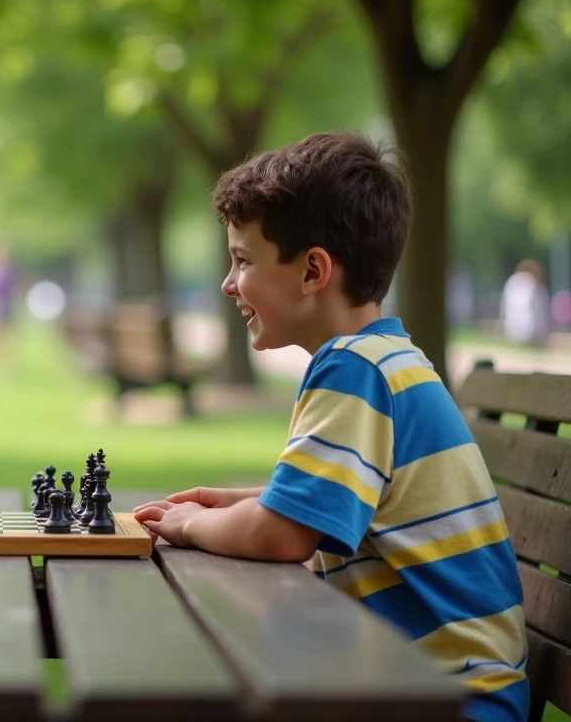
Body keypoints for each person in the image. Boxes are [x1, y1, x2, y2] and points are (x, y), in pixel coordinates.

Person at [133, 132, 528, 722]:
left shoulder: (352, 369)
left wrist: (194, 525)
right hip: (441, 687)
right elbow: (334, 505)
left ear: (313, 269)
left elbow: (283, 537)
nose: (227, 282)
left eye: (243, 260)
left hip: (448, 699)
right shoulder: (388, 357)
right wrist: (259, 500)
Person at [500, 259, 550, 347]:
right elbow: (540, 312)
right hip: (530, 331)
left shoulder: (512, 281)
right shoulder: (535, 285)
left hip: (511, 329)